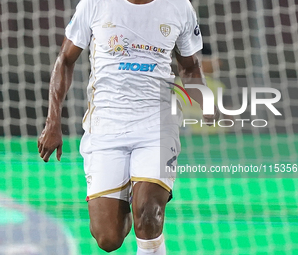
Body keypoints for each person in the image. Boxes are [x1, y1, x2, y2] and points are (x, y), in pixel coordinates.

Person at [38, 0, 219, 254]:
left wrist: (207, 103)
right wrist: (52, 122)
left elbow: (189, 66)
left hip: (157, 125)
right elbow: (65, 60)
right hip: (105, 127)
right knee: (108, 238)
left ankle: (145, 191)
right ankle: (134, 189)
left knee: (148, 216)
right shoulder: (94, 4)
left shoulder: (179, 6)